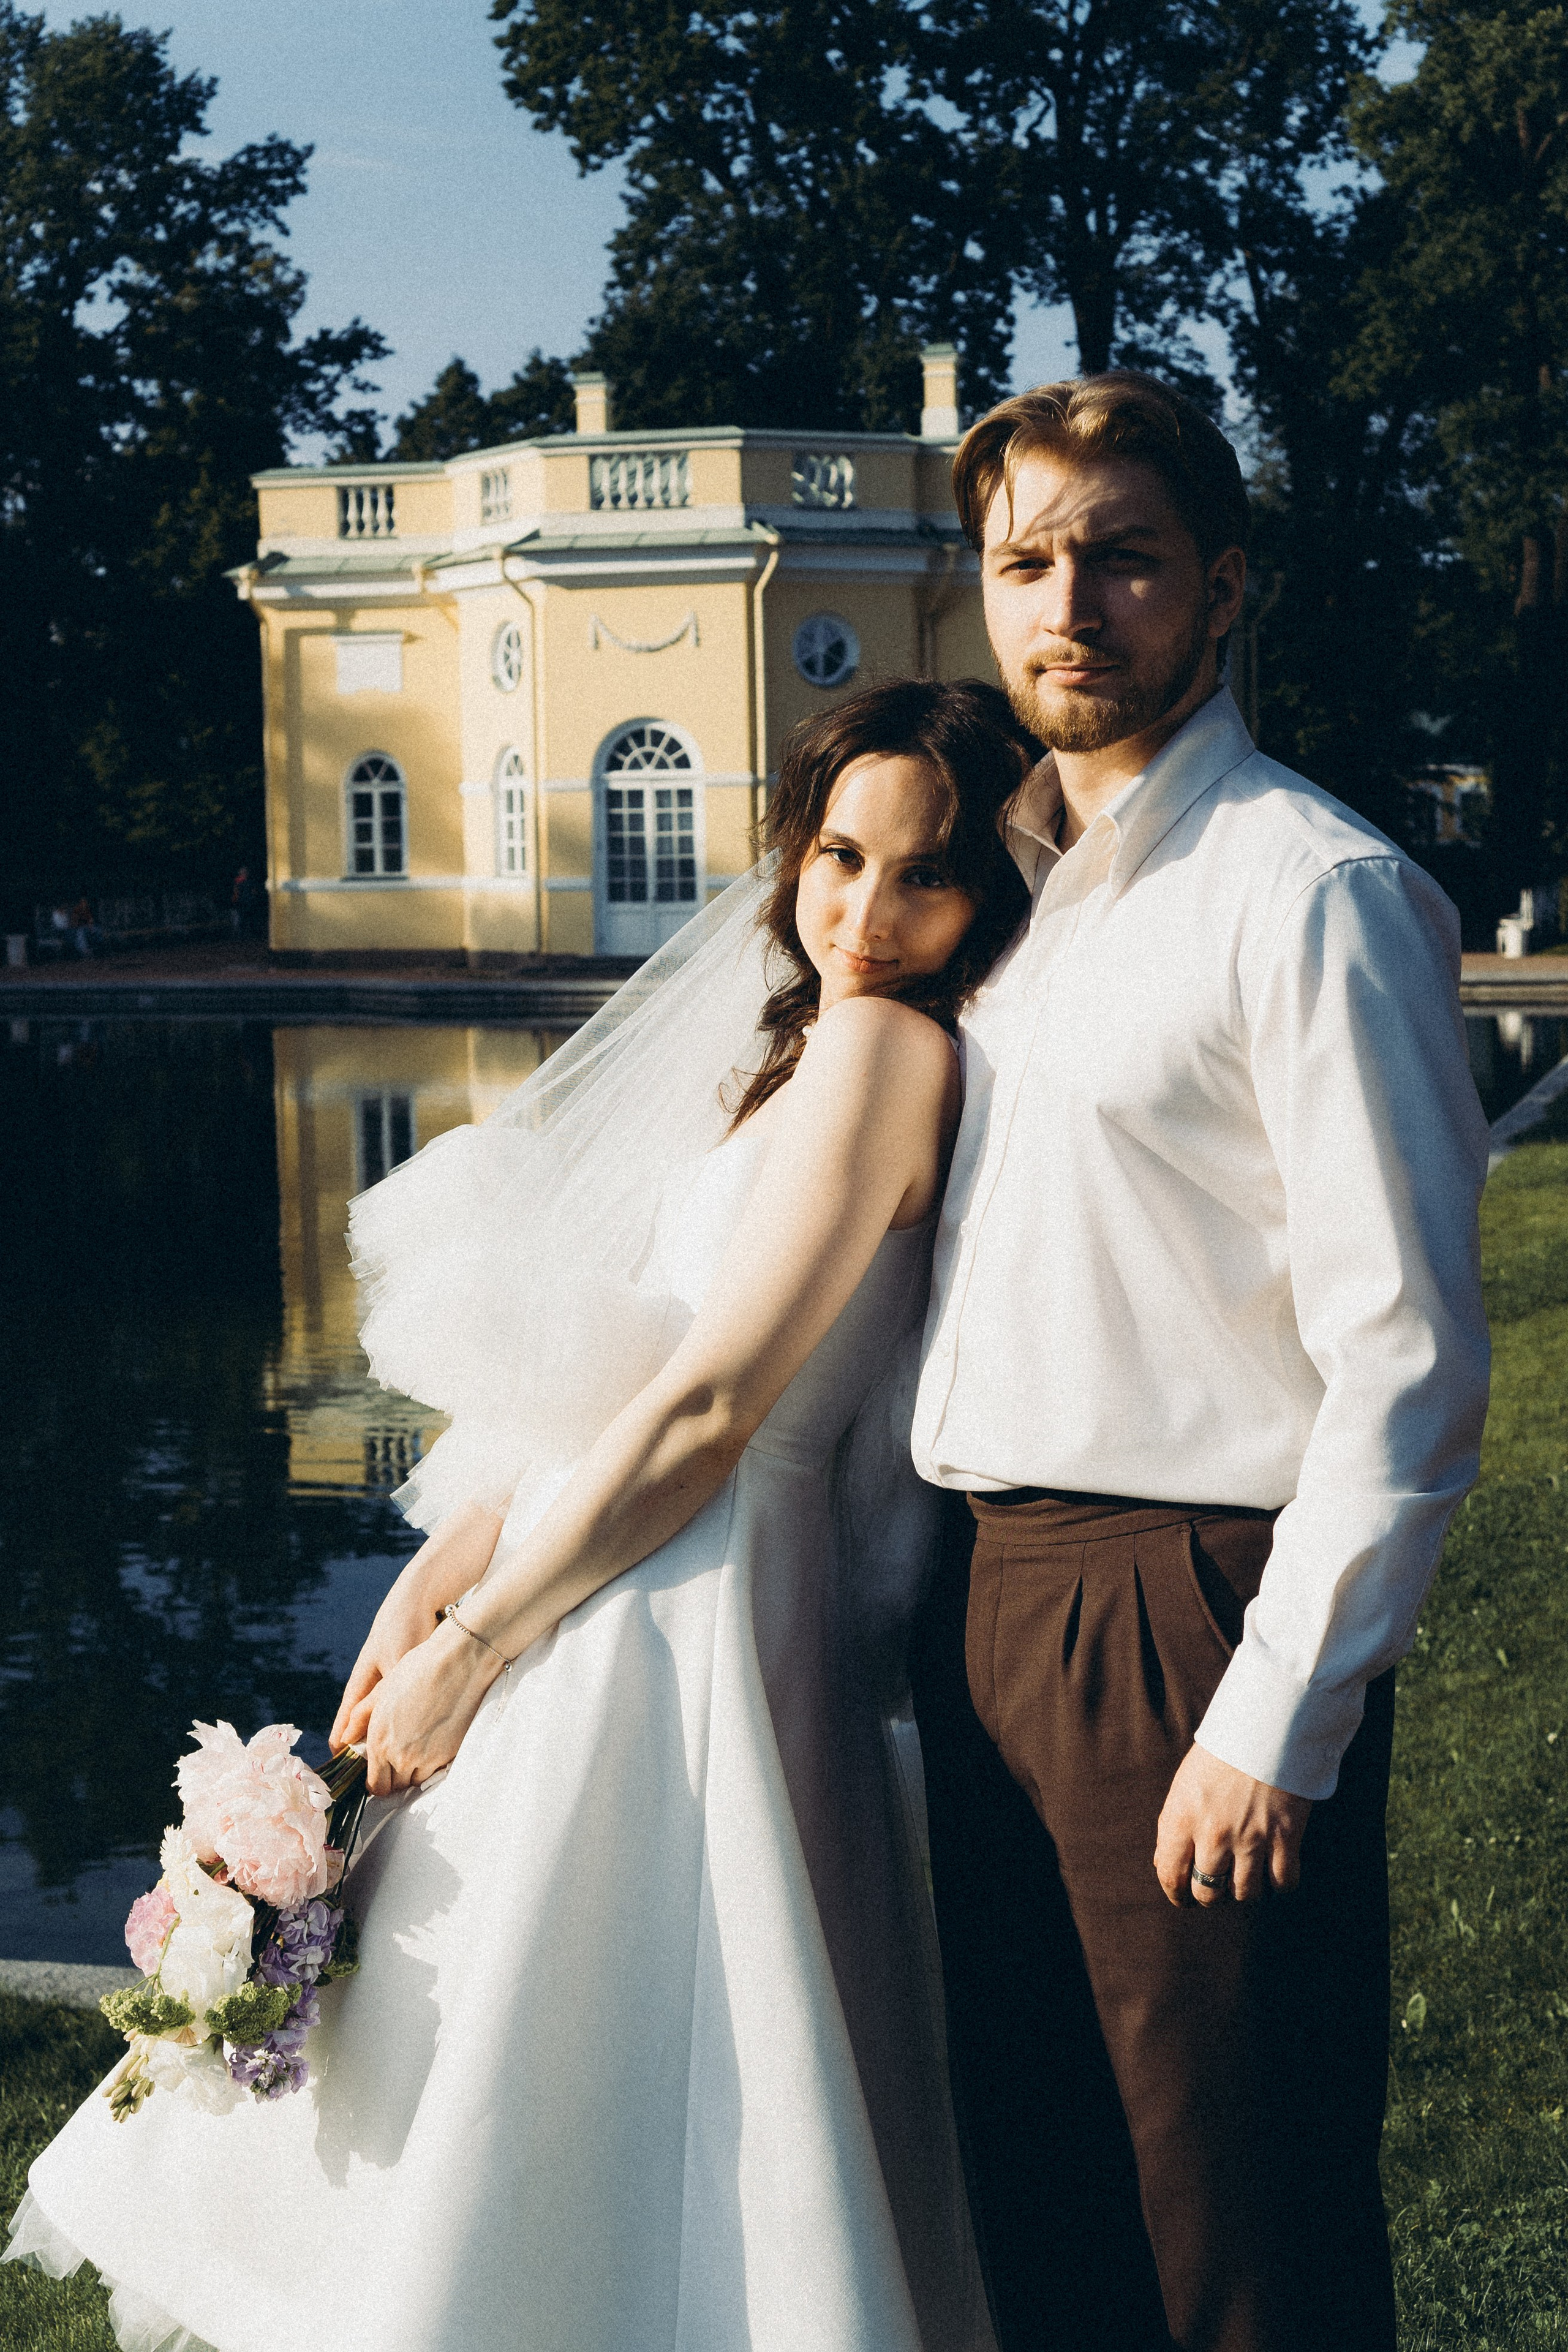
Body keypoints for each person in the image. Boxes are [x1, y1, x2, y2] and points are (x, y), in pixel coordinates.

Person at [7, 678, 1035, 2352]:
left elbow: (712, 1412)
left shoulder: (884, 1049)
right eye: (841, 854)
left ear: (986, 897)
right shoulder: (797, 1049)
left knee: (603, 2055)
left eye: (926, 877)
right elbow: (624, 1359)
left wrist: (478, 1645)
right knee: (514, 2041)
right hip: (609, 1556)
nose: (864, 911)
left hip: (687, 1600)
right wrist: (444, 1561)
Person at [908, 372, 1491, 2352]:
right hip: (988, 1598)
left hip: (1183, 1609)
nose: (1071, 603)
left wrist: (1275, 1716)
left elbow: (1406, 1361)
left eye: (1125, 558)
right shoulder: (1016, 893)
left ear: (1222, 588)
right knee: (1046, 2199)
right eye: (1027, 561)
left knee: (1232, 2225)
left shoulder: (1306, 895)